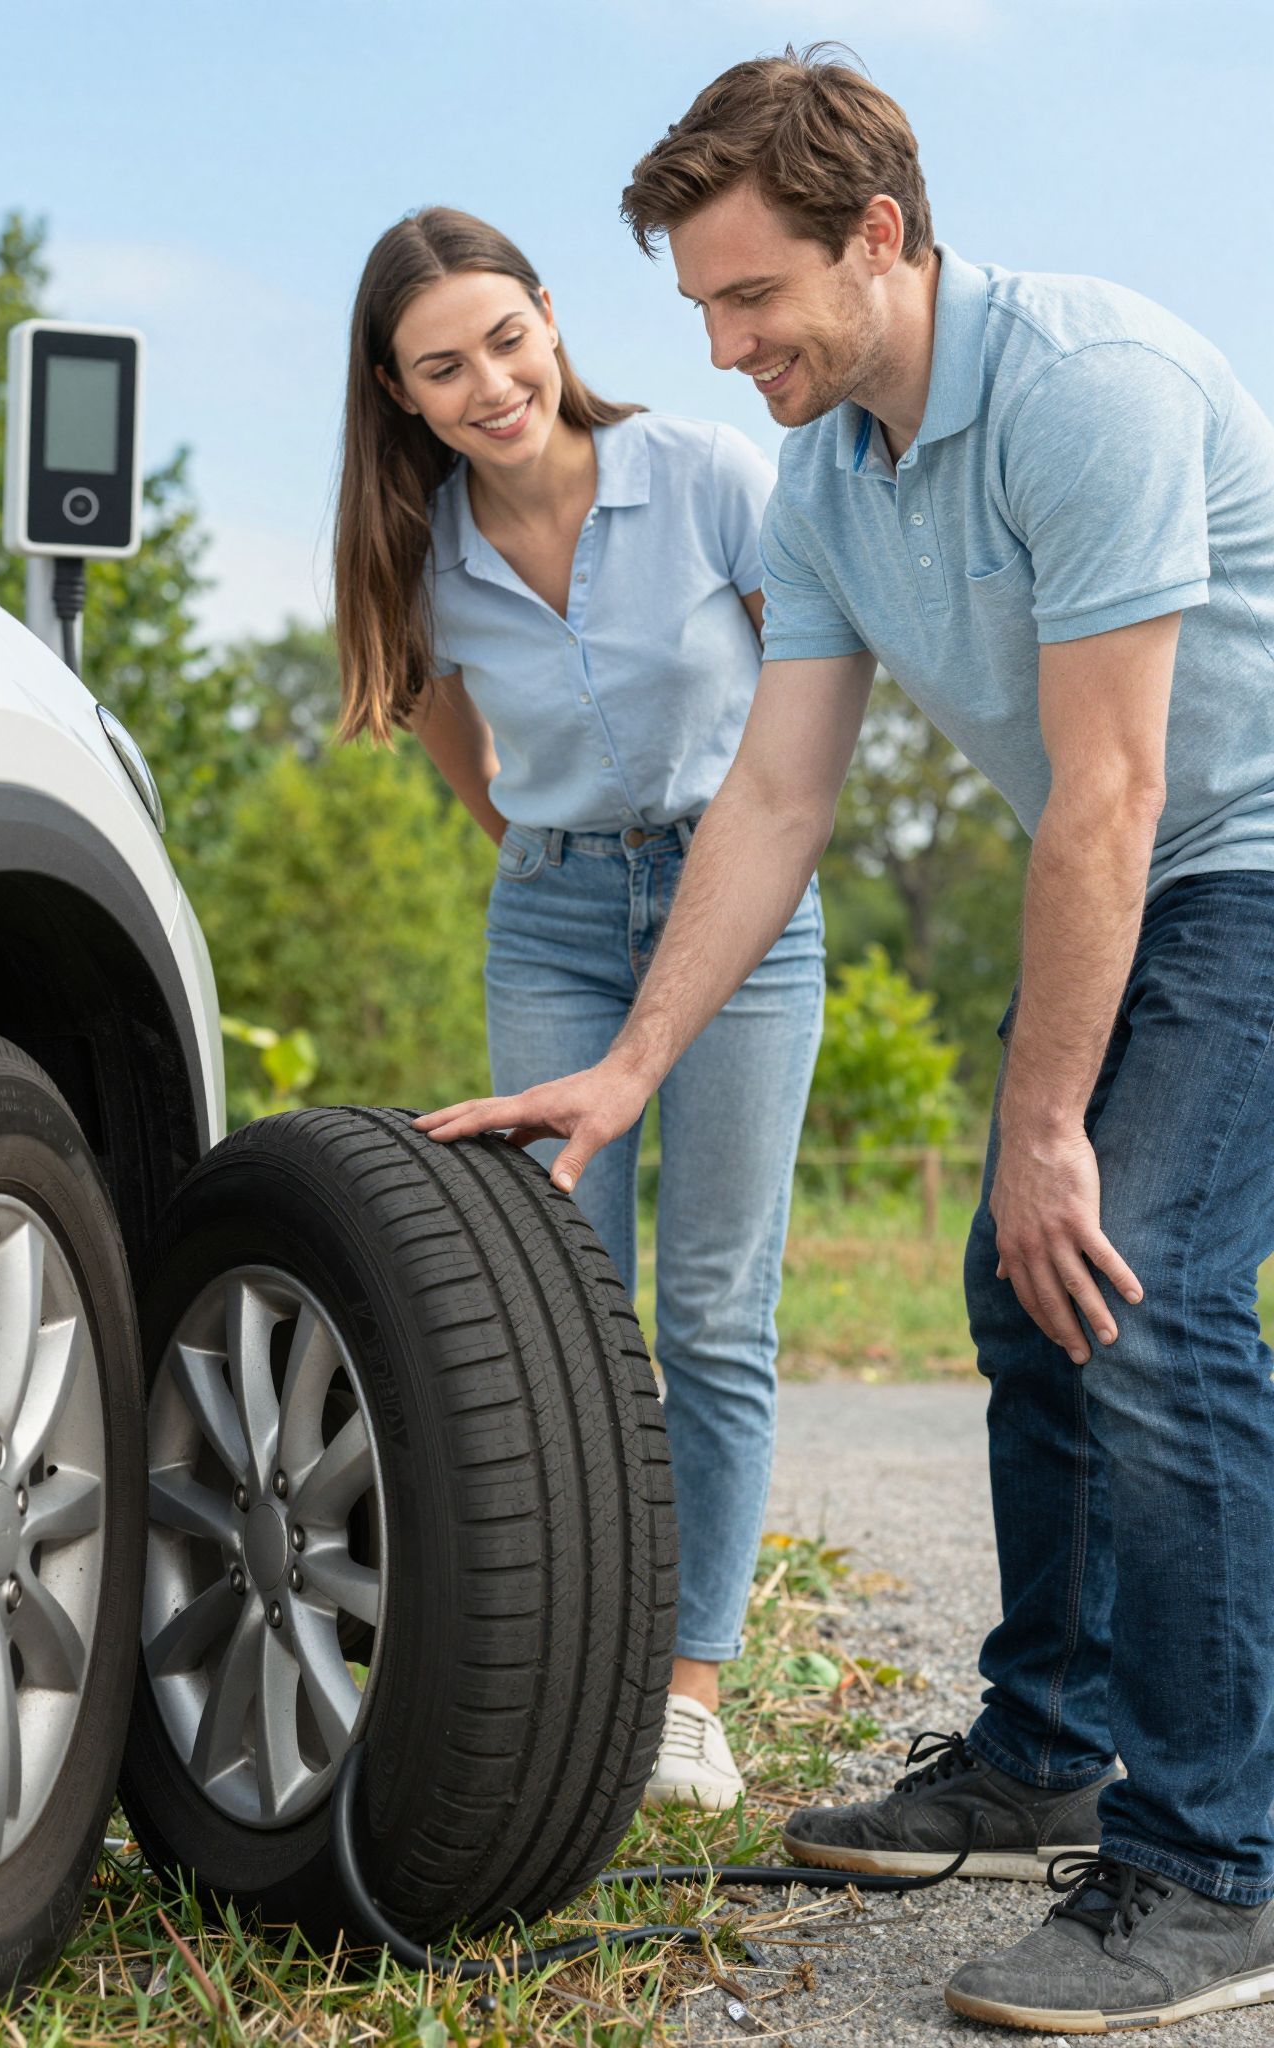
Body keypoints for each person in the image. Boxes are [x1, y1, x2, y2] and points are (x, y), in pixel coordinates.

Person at [416, 47, 1274, 2037]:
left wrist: (1045, 1126)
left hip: (1240, 856)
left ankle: (1223, 1858)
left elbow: (1115, 790)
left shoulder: (1085, 388)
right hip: (1135, 860)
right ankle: (1049, 1751)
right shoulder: (825, 477)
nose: (722, 350)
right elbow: (779, 796)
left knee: (1135, 1279)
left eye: (752, 297)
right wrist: (631, 1065)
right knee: (1024, 1290)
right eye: (703, 306)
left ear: (877, 235)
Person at [332, 206, 825, 1810]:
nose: (490, 386)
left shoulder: (707, 475)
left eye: (505, 339)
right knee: (564, 1303)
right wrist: (539, 856)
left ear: (551, 318)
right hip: (551, 921)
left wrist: (710, 866)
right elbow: (451, 734)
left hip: (741, 912)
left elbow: (805, 704)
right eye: (442, 369)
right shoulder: (419, 556)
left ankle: (687, 1693)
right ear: (398, 393)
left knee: (715, 1310)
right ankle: (582, 1670)